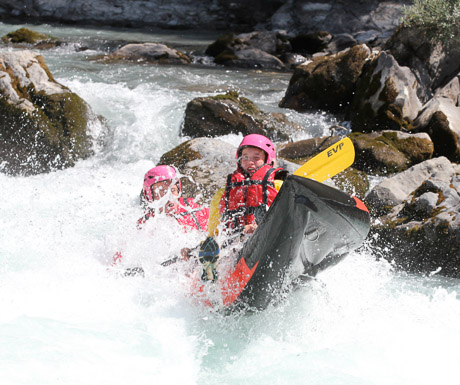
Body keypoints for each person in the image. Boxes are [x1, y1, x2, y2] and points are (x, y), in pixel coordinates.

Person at [200, 134, 286, 280]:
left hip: (270, 242)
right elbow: (214, 234)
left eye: (256, 157)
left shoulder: (279, 187)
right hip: (236, 248)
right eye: (245, 157)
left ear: (267, 159)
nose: (249, 162)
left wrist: (259, 226)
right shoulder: (222, 194)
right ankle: (210, 275)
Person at [112, 165, 209, 271]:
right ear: (150, 195)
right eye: (161, 191)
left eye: (173, 190)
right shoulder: (146, 225)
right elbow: (119, 262)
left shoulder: (195, 209)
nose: (169, 196)